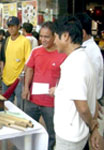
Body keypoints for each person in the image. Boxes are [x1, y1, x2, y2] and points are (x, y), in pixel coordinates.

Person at [54, 15, 100, 150]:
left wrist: (93, 126)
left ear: (66, 36)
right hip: (78, 132)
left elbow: (82, 106)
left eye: (56, 36)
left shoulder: (73, 65)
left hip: (70, 136)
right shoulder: (83, 58)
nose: (54, 41)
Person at [22, 21, 66, 150]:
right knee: (28, 127)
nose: (43, 40)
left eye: (46, 37)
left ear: (55, 36)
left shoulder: (62, 53)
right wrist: (25, 88)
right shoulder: (36, 51)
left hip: (51, 102)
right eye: (41, 36)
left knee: (52, 133)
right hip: (33, 99)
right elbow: (29, 69)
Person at [75, 13, 104, 150]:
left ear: (82, 32)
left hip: (87, 104)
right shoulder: (85, 49)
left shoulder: (91, 51)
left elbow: (90, 82)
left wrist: (95, 102)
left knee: (86, 140)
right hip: (86, 103)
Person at [0, 16, 31, 108]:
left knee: (20, 106)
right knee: (5, 105)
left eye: (13, 26)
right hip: (6, 79)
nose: (11, 28)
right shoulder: (6, 41)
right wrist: (2, 72)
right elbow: (2, 59)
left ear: (18, 26)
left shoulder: (25, 41)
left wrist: (22, 75)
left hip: (18, 80)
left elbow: (28, 61)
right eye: (9, 26)